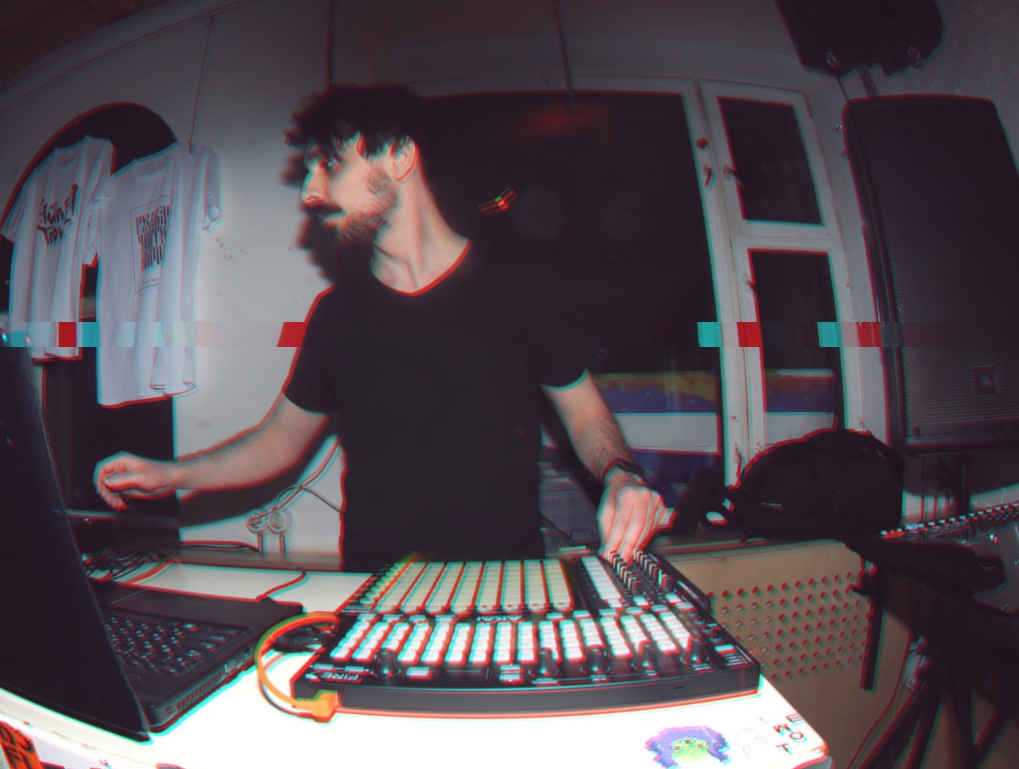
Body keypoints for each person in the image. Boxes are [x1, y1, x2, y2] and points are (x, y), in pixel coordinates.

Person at [94, 84, 667, 572]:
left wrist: (622, 475)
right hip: (375, 591)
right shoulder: (336, 316)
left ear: (398, 157)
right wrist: (172, 474)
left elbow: (585, 414)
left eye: (329, 164)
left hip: (503, 587)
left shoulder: (521, 288)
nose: (310, 192)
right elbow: (277, 442)